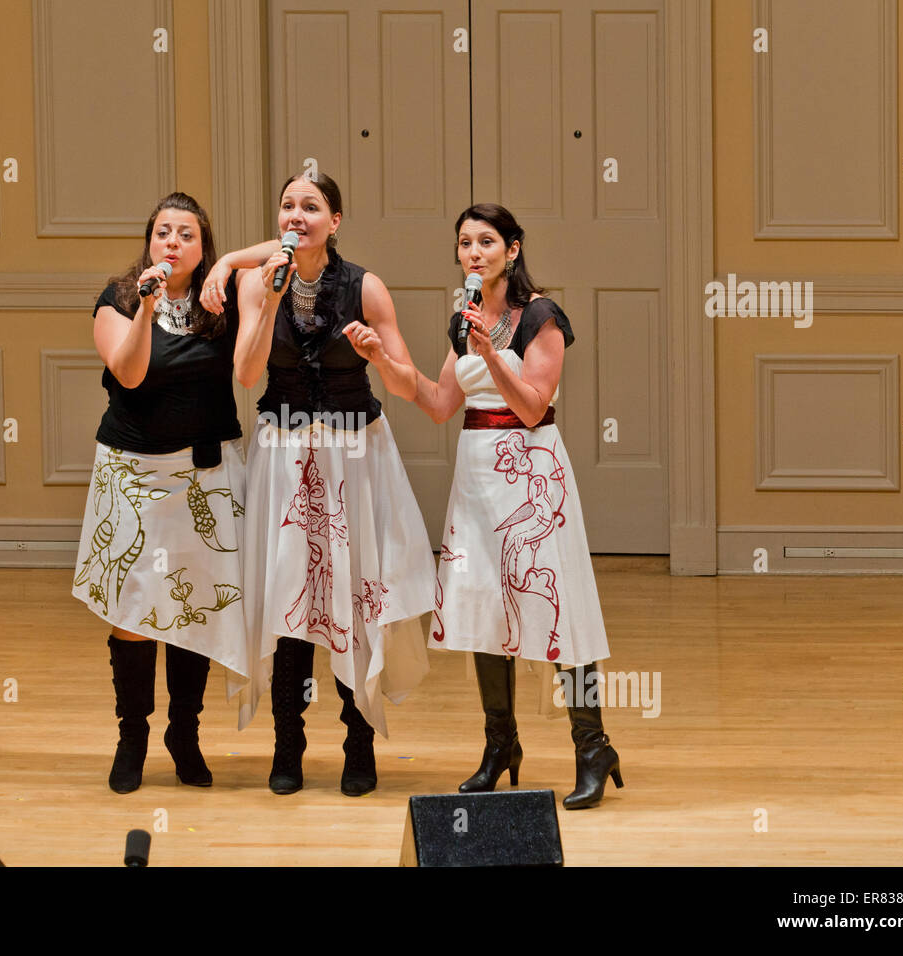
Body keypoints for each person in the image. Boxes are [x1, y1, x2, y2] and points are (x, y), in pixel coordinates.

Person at [407, 202, 623, 809]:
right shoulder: (464, 320)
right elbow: (441, 403)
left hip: (529, 472)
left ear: (513, 249)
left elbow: (532, 405)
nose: (474, 253)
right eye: (465, 243)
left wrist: (491, 352)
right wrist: (384, 361)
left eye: (486, 242)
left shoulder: (541, 315)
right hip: (476, 474)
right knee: (481, 609)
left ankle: (592, 747)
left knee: (558, 607)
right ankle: (500, 746)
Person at [233, 171, 432, 797]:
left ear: (335, 221)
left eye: (311, 207)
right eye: (288, 206)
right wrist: (267, 301)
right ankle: (286, 744)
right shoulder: (256, 282)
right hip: (284, 452)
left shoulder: (365, 286)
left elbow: (406, 385)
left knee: (351, 595)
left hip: (354, 454)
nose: (297, 215)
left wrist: (378, 356)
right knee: (290, 593)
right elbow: (245, 375)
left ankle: (359, 740)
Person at [72, 192, 275, 794]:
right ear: (149, 241)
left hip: (206, 476)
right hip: (134, 474)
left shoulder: (224, 298)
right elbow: (130, 372)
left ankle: (184, 734)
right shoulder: (118, 297)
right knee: (134, 614)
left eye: (187, 234)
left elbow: (293, 247)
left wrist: (230, 261)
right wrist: (145, 307)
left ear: (202, 245)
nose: (173, 243)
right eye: (164, 232)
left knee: (196, 612)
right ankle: (131, 735)